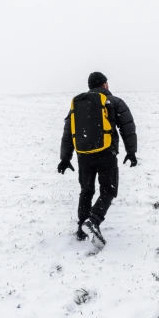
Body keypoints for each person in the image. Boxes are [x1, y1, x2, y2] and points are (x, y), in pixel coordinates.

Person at [58, 71, 137, 244]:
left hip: (83, 155)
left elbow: (68, 132)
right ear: (104, 84)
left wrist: (65, 158)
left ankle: (81, 230)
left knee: (86, 191)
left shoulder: (78, 104)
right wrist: (131, 152)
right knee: (108, 190)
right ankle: (93, 220)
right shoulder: (114, 101)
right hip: (106, 153)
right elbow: (127, 126)